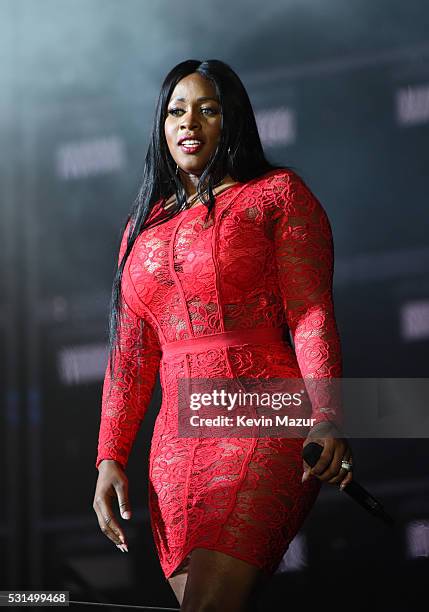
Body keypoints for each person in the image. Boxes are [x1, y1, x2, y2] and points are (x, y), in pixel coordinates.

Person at [93, 59, 353, 612]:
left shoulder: (276, 194)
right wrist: (110, 455)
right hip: (175, 445)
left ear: (231, 121)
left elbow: (311, 314)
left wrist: (329, 416)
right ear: (161, 127)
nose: (189, 122)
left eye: (207, 109)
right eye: (175, 111)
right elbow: (131, 356)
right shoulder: (141, 229)